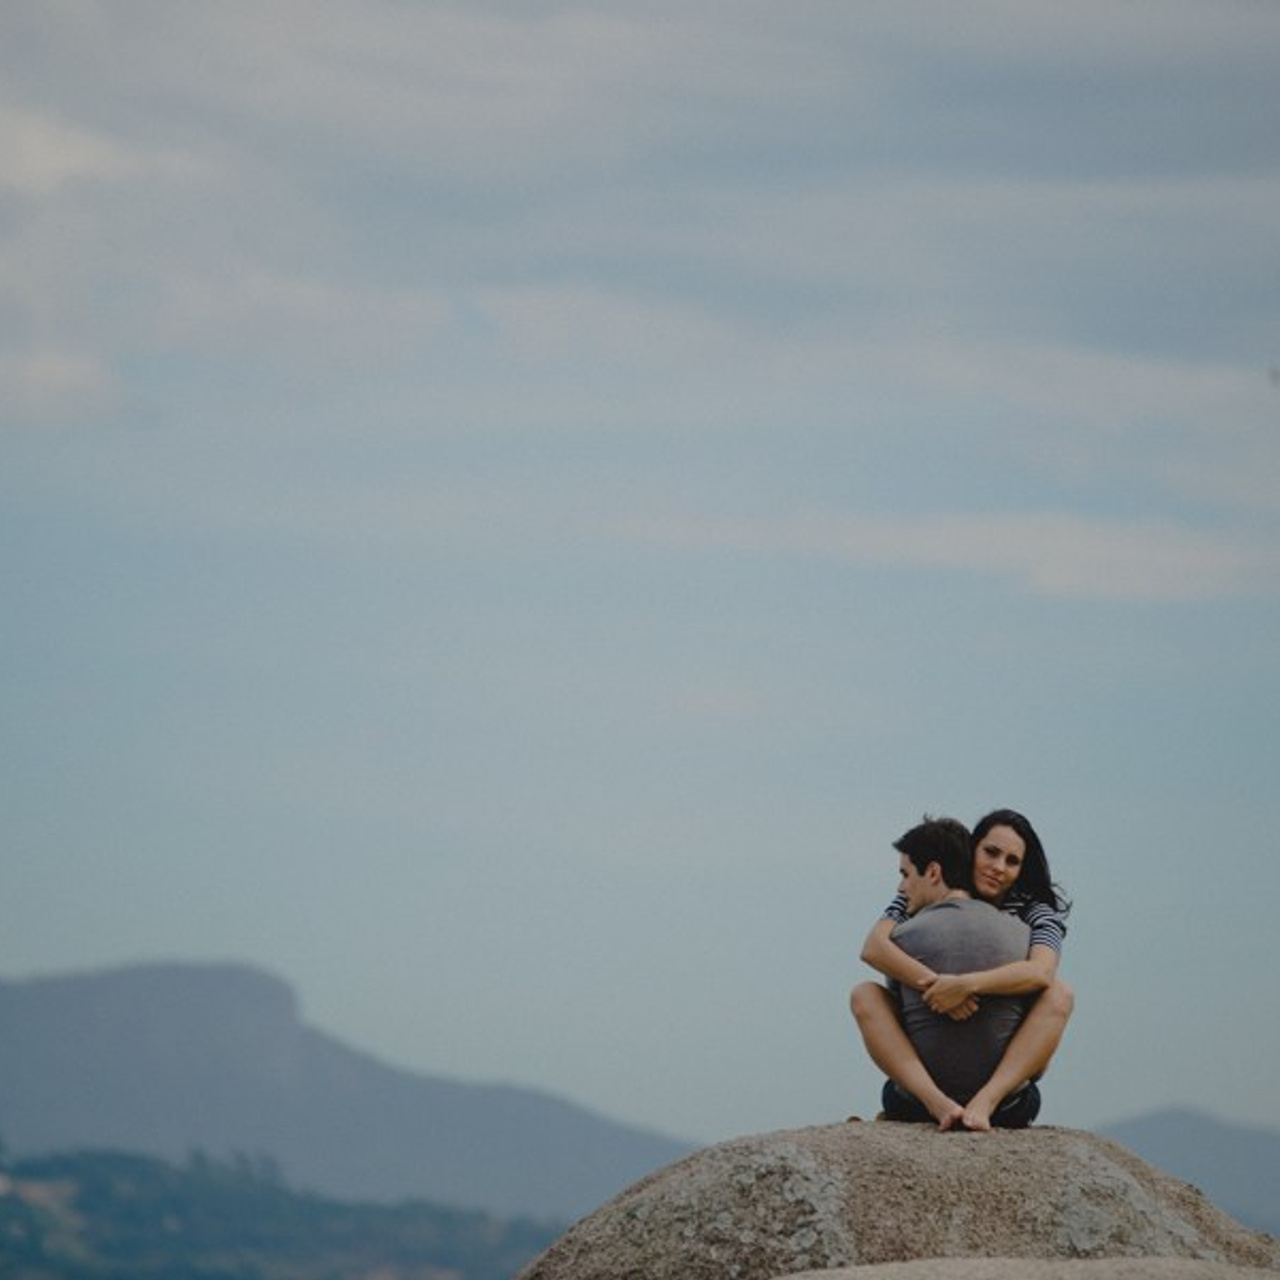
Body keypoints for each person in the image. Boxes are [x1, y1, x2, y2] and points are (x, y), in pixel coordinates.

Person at [851, 808, 1073, 1131]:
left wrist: (965, 985)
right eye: (991, 852)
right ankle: (938, 1102)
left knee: (1059, 993)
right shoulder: (921, 893)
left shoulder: (1035, 911)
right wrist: (936, 986)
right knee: (865, 993)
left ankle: (986, 1101)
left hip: (1006, 1071)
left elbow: (1040, 973)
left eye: (1012, 862)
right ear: (972, 850)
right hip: (949, 1045)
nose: (998, 868)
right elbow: (873, 947)